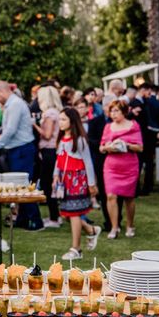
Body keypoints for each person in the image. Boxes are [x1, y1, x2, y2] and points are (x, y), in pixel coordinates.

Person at [0, 80, 43, 231]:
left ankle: (36, 221)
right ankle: (23, 219)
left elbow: (10, 130)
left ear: (2, 92)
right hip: (17, 149)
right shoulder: (11, 104)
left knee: (23, 185)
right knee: (18, 186)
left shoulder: (15, 104)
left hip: (22, 150)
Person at [54, 107, 101, 260]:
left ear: (72, 121)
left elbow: (88, 162)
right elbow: (59, 158)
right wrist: (56, 175)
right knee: (67, 213)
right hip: (64, 179)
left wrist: (91, 183)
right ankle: (91, 230)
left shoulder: (79, 140)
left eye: (63, 119)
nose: (60, 122)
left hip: (77, 180)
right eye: (59, 119)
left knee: (73, 214)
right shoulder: (62, 139)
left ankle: (76, 249)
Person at [100, 99, 143, 239]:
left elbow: (140, 147)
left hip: (129, 165)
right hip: (111, 166)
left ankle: (130, 225)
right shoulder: (108, 127)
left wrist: (125, 145)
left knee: (129, 198)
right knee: (111, 195)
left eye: (116, 110)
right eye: (111, 111)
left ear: (124, 111)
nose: (113, 114)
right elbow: (101, 147)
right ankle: (114, 227)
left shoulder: (134, 126)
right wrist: (108, 147)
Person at [32, 85, 62, 228]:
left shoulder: (49, 114)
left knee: (47, 184)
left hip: (48, 151)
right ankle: (55, 215)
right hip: (51, 150)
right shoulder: (55, 112)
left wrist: (34, 125)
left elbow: (47, 134)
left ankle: (54, 218)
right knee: (48, 183)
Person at [87, 94, 117, 231]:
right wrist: (104, 146)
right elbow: (91, 140)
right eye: (109, 106)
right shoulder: (95, 122)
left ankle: (117, 219)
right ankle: (109, 220)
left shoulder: (119, 122)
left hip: (117, 160)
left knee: (117, 192)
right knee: (105, 192)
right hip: (101, 159)